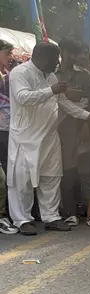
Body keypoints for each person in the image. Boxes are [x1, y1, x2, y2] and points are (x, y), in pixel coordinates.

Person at [8, 42, 90, 235]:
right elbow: (23, 98)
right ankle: (22, 220)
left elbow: (63, 104)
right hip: (26, 138)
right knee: (21, 180)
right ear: (44, 58)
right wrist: (51, 90)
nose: (58, 62)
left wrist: (87, 116)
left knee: (51, 178)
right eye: (56, 58)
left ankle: (51, 217)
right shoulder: (20, 73)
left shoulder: (51, 77)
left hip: (49, 135)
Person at [55, 38, 90, 227]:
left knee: (87, 167)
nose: (73, 57)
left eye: (76, 53)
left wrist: (89, 123)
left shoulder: (86, 75)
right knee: (66, 170)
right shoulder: (52, 75)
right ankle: (69, 212)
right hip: (61, 127)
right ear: (61, 52)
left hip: (83, 124)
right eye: (69, 52)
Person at [0, 39, 18, 234]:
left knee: (8, 171)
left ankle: (6, 213)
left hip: (8, 129)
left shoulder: (7, 75)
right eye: (7, 54)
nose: (10, 58)